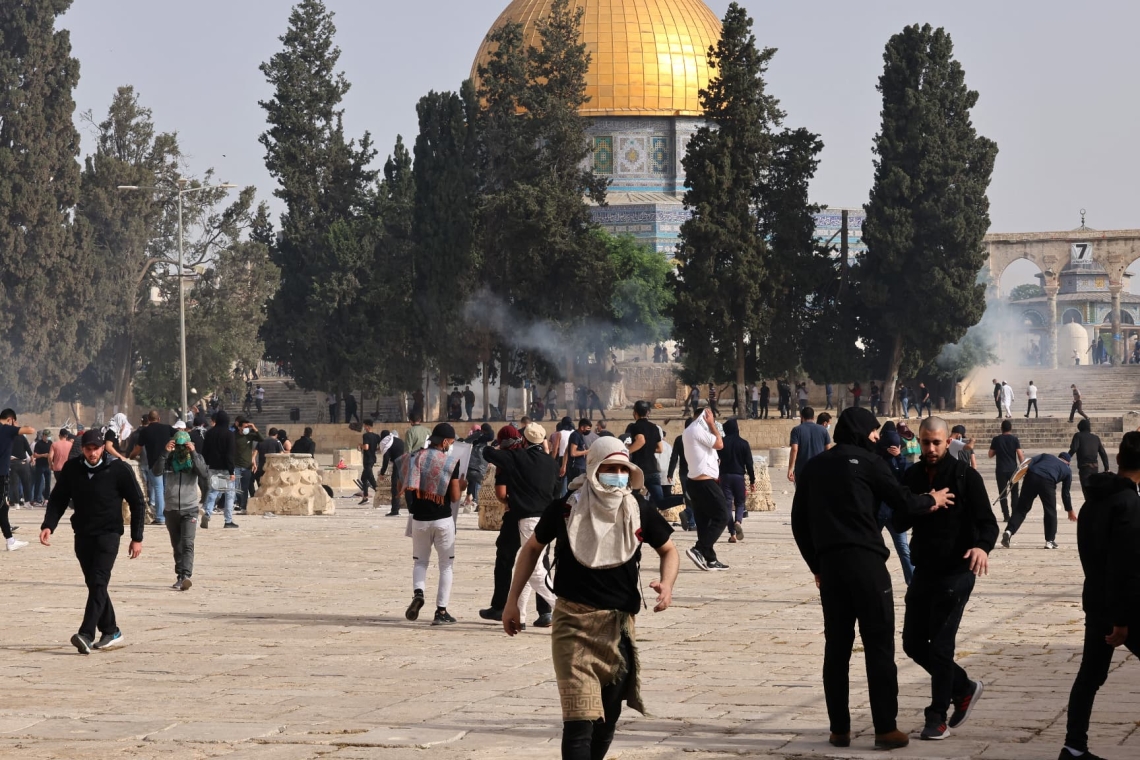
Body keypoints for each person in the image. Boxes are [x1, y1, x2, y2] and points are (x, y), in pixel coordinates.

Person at [502, 436, 679, 760]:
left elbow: (669, 550)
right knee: (579, 723)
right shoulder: (566, 508)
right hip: (573, 625)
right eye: (609, 468)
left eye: (622, 469)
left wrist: (667, 584)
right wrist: (512, 601)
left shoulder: (638, 509)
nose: (616, 475)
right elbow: (531, 549)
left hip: (618, 629)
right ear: (595, 468)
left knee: (606, 723)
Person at [791, 407, 953, 750]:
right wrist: (932, 499)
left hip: (831, 569)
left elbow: (799, 522)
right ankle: (885, 729)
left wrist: (815, 566)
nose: (878, 438)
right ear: (863, 432)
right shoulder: (869, 463)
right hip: (866, 565)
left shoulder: (815, 467)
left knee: (836, 648)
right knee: (879, 646)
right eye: (875, 433)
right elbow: (903, 503)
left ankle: (839, 730)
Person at [895, 417, 997, 741]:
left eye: (936, 442)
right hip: (924, 570)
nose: (931, 448)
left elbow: (988, 524)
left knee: (940, 646)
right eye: (925, 442)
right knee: (913, 643)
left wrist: (982, 548)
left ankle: (937, 716)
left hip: (957, 572)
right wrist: (926, 503)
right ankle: (963, 687)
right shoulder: (911, 476)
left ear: (947, 442)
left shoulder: (967, 476)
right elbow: (897, 519)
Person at [1059, 432, 1140, 760]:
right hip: (1123, 609)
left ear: (1118, 458)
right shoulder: (1129, 503)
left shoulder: (1092, 498)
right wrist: (1121, 621)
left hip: (1096, 598)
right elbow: (1127, 565)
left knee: (1089, 675)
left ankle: (1074, 746)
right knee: (1090, 674)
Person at [40, 429, 146, 653]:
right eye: (88, 449)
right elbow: (58, 499)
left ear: (102, 448)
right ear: (83, 449)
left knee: (98, 581)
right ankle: (111, 630)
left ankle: (86, 634)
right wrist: (49, 525)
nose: (92, 453)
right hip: (83, 534)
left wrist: (136, 538)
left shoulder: (118, 469)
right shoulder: (72, 469)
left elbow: (137, 502)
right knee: (95, 584)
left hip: (109, 534)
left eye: (96, 449)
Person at [484, 422, 558, 628]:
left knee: (534, 570)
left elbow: (488, 453)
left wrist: (495, 444)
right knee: (525, 565)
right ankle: (520, 615)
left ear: (524, 439)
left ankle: (562, 608)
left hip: (529, 520)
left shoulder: (519, 457)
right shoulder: (551, 463)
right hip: (547, 518)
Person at [396, 423, 464, 626]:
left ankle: (418, 593)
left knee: (420, 562)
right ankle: (441, 611)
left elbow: (401, 484)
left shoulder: (414, 458)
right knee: (446, 565)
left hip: (418, 520)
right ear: (444, 442)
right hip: (442, 519)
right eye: (450, 442)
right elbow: (453, 496)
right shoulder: (450, 462)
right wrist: (462, 485)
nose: (450, 446)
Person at [153, 431, 208, 591]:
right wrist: (165, 452)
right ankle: (179, 575)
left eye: (183, 446)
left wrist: (193, 452)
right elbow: (156, 471)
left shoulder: (195, 459)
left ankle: (186, 576)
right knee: (177, 545)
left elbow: (203, 472)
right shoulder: (169, 459)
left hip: (190, 507)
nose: (181, 449)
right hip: (171, 508)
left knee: (187, 543)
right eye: (178, 445)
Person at [681, 407, 729, 571]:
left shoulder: (689, 431)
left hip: (695, 482)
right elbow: (720, 444)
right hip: (704, 482)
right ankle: (699, 549)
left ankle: (710, 558)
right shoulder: (697, 429)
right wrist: (712, 424)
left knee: (704, 522)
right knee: (723, 515)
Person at [1001, 452, 1074, 550]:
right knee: (1050, 511)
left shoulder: (1046, 455)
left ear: (1058, 457)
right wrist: (1069, 510)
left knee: (1021, 508)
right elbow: (1065, 493)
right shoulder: (1067, 470)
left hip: (1032, 476)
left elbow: (1029, 461)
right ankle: (1049, 541)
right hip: (1048, 481)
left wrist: (1019, 473)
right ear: (1068, 463)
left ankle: (1009, 531)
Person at [875, 420, 915, 585]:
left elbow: (908, 476)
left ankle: (912, 582)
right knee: (876, 548)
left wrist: (899, 457)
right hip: (880, 510)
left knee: (903, 549)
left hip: (891, 511)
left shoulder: (898, 460)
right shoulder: (877, 458)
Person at [133, 411, 174, 525]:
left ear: (149, 420)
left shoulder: (145, 431)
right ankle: (168, 515)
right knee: (165, 490)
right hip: (167, 462)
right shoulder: (167, 428)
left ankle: (160, 517)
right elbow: (179, 435)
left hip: (154, 464)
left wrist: (131, 456)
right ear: (159, 418)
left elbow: (138, 448)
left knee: (158, 490)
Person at [719, 418, 755, 543]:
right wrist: (752, 480)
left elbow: (715, 460)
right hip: (739, 476)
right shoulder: (744, 443)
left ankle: (732, 534)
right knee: (740, 502)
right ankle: (738, 521)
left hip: (724, 477)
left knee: (727, 505)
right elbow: (749, 464)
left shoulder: (721, 443)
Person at [201, 411, 238, 530]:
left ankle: (207, 513)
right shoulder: (229, 434)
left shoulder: (209, 433)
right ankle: (228, 520)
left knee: (213, 491)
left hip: (212, 466)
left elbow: (204, 451)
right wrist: (232, 471)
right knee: (229, 494)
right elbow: (230, 454)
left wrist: (207, 464)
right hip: (226, 469)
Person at [988, 420, 1024, 522]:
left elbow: (990, 454)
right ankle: (1015, 514)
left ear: (1001, 428)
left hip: (1001, 470)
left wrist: (998, 450)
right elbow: (1020, 455)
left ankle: (1006, 515)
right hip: (1013, 470)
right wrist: (1024, 468)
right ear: (1010, 428)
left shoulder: (996, 439)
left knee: (1002, 493)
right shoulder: (1014, 439)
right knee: (1014, 493)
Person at [788, 406, 832, 484]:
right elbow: (828, 450)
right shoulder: (823, 430)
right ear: (813, 417)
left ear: (802, 417)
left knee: (802, 494)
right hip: (819, 469)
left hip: (802, 469)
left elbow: (794, 449)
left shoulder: (796, 430)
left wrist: (790, 469)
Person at [1069, 419, 1110, 499]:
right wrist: (1106, 467)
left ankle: (1090, 509)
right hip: (1095, 468)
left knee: (1087, 492)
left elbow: (1074, 448)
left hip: (1084, 467)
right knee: (1094, 490)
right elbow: (1103, 453)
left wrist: (1065, 459)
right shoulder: (1096, 438)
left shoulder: (1078, 435)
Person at [667, 418, 695, 531]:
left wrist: (670, 473)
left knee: (687, 498)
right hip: (695, 472)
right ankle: (690, 519)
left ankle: (690, 520)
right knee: (696, 497)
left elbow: (674, 457)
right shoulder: (695, 438)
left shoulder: (679, 439)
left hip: (683, 472)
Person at [463, 424, 494, 509]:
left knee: (473, 482)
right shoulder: (479, 436)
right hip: (477, 467)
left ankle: (472, 499)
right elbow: (491, 436)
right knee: (481, 484)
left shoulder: (477, 436)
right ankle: (478, 502)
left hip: (471, 466)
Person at [379, 431, 406, 516]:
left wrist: (382, 473)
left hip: (398, 465)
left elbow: (386, 459)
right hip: (406, 463)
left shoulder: (386, 443)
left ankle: (395, 510)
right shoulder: (398, 440)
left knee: (395, 487)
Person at [359, 420, 381, 505]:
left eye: (364, 426)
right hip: (373, 458)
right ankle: (365, 497)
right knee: (364, 478)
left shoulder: (366, 436)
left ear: (368, 426)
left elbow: (366, 447)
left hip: (367, 459)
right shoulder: (376, 436)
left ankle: (379, 493)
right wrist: (375, 449)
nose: (364, 428)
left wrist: (360, 445)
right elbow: (380, 446)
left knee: (371, 478)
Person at [32, 430, 53, 506]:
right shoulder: (38, 444)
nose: (48, 437)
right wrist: (43, 455)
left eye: (49, 436)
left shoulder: (51, 443)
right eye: (47, 436)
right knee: (38, 482)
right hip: (40, 466)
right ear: (43, 436)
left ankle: (46, 499)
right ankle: (36, 499)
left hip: (47, 466)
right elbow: (35, 455)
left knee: (48, 483)